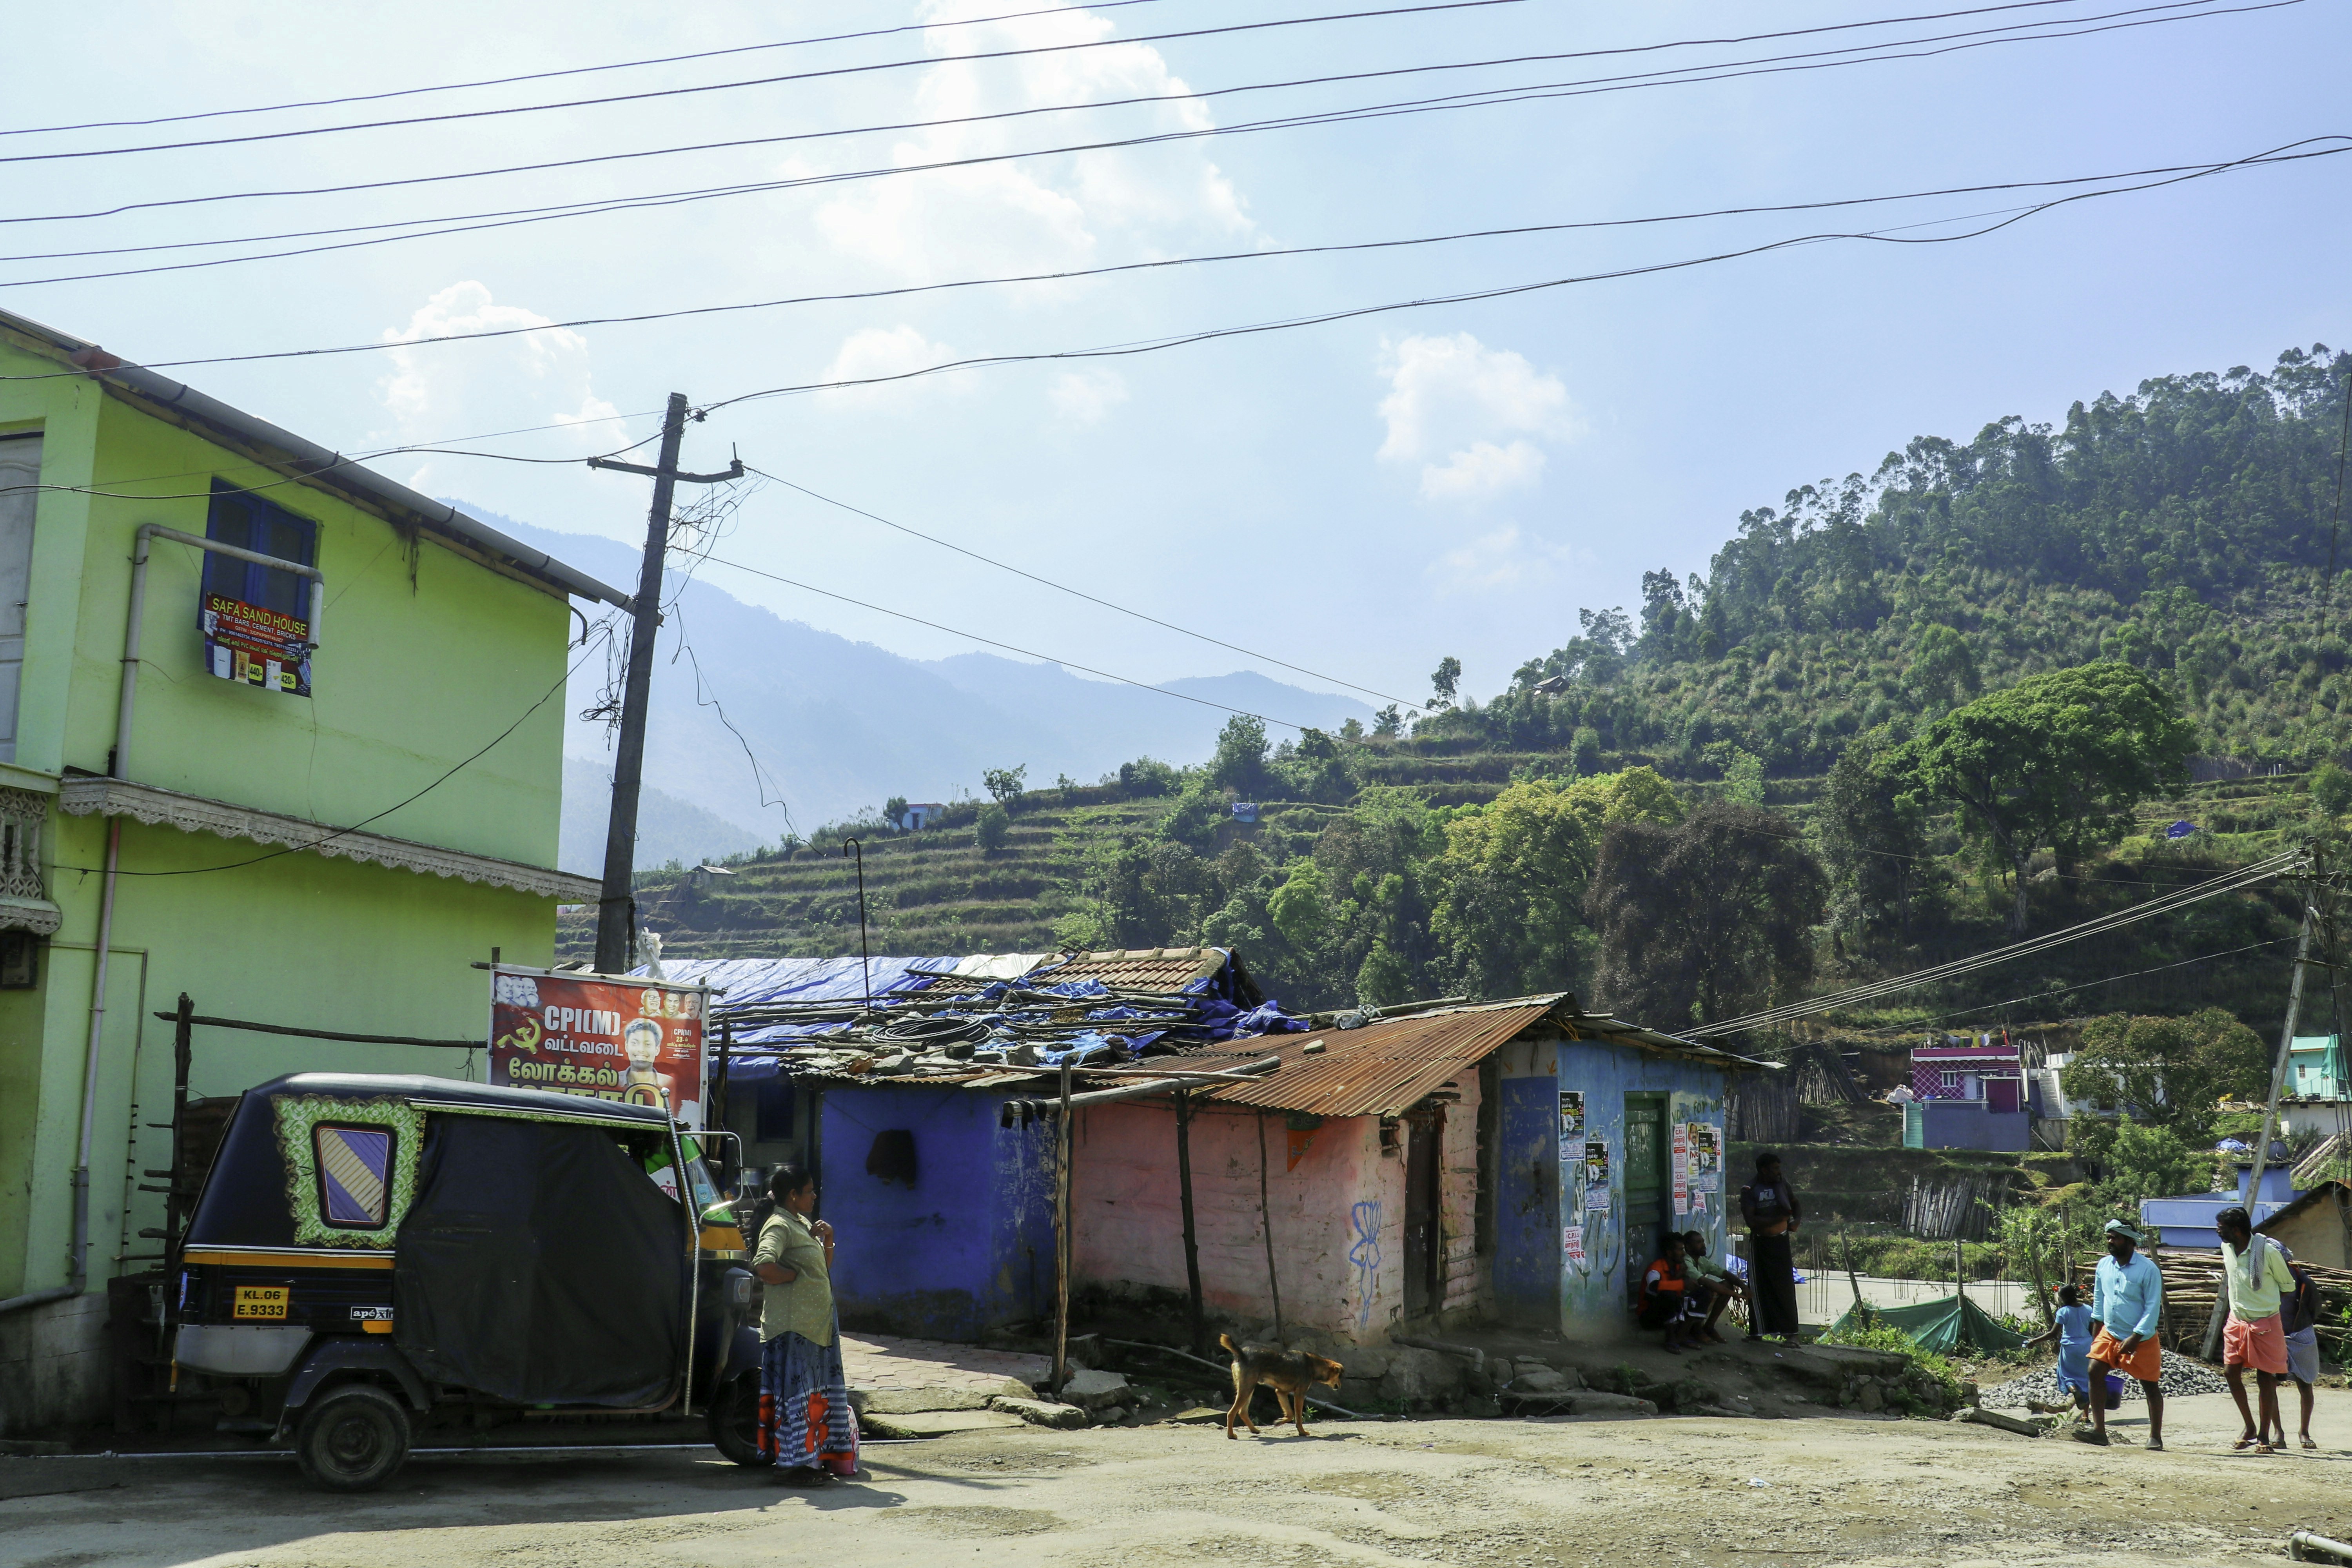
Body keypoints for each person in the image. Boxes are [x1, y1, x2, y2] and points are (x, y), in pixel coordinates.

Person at [750, 1164, 858, 1484]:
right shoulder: (779, 1225)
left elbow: (820, 1270)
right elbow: (764, 1265)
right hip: (794, 1331)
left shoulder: (800, 1223)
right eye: (809, 1191)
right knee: (797, 1400)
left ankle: (812, 1460)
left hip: (815, 1329)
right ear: (793, 1196)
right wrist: (791, 1276)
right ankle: (794, 1467)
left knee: (813, 1397)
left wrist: (828, 1240)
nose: (814, 1196)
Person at [2216, 1205, 2296, 1454]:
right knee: (2231, 1373)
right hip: (2237, 1321)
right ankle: (2249, 1427)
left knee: (2265, 1379)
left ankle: (2263, 1436)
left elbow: (2287, 1286)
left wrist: (2264, 1305)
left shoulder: (2268, 1252)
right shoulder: (2226, 1249)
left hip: (2265, 1323)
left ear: (2237, 1230)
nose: (2218, 1231)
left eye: (2222, 1228)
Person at [2082, 1218, 2165, 1450]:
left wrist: (2136, 1337)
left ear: (2130, 1241)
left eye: (2116, 1238)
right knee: (2094, 1370)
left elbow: (2152, 1308)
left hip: (2142, 1337)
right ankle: (2099, 1431)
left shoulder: (2148, 1270)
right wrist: (2096, 1334)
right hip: (2111, 1332)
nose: (2111, 1242)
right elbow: (2099, 1302)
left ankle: (2155, 1437)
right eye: (2108, 1237)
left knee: (2150, 1385)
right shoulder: (2104, 1266)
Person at [2263, 1241, 2321, 1451]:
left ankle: (2304, 1431)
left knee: (2305, 1383)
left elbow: (2315, 1307)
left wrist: (2302, 1326)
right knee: (2269, 1384)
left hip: (2300, 1333)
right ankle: (2278, 1432)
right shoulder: (2263, 1278)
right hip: (2271, 1334)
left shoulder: (2301, 1278)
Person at [1739, 1151, 1802, 1341]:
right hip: (1760, 1244)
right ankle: (1757, 1333)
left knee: (1784, 1287)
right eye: (1775, 1169)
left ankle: (1791, 1335)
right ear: (1764, 1170)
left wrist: (1797, 1220)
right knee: (1759, 1288)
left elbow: (1795, 1203)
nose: (1778, 1172)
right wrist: (1780, 1219)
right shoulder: (1750, 1190)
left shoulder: (1783, 1185)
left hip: (1780, 1242)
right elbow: (1752, 1221)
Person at [2021, 1283, 2100, 1416]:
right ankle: (2086, 1416)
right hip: (2086, 1347)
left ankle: (2073, 1389)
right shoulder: (2088, 1309)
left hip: (2070, 1348)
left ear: (2063, 1298)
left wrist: (2034, 1342)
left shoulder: (2063, 1312)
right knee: (2086, 1379)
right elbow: (2093, 1330)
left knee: (2066, 1375)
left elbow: (2053, 1334)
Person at [1681, 1230, 1748, 1344]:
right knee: (1707, 1292)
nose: (1703, 1245)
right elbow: (1706, 1282)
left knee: (1727, 1285)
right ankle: (1696, 1330)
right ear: (1688, 1247)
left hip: (1696, 1300)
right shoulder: (1686, 1261)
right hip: (1683, 1303)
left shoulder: (1701, 1260)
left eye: (1703, 1241)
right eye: (1698, 1242)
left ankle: (1709, 1327)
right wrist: (1735, 1294)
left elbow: (1724, 1273)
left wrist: (1743, 1286)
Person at [1639, 1233, 1697, 1353]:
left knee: (1701, 1294)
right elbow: (1654, 1287)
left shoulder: (1678, 1268)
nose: (1684, 1253)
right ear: (1670, 1253)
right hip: (1650, 1317)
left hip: (1668, 1311)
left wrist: (1679, 1277)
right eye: (1680, 1250)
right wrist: (1682, 1284)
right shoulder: (1655, 1269)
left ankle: (1683, 1335)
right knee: (1668, 1295)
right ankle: (1671, 1339)